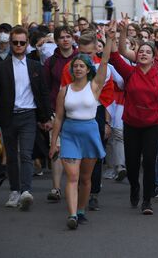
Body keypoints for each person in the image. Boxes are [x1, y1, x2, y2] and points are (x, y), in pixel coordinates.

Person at [49, 22, 114, 229]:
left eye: (81, 66)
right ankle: (72, 215)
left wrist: (110, 38)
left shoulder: (95, 87)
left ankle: (81, 209)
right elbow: (58, 119)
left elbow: (104, 62)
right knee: (73, 177)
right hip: (70, 134)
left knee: (86, 179)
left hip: (90, 133)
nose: (77, 68)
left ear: (88, 69)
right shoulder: (64, 91)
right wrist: (53, 143)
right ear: (71, 68)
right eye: (75, 66)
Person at [109, 19, 158, 215]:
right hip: (131, 124)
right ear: (136, 56)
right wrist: (120, 32)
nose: (144, 54)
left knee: (149, 162)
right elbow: (115, 55)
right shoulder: (129, 73)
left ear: (153, 57)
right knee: (132, 162)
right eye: (141, 52)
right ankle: (134, 187)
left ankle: (147, 200)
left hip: (153, 125)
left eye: (148, 52)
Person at [0, 26, 53, 211]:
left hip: (29, 116)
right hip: (8, 117)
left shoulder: (35, 67)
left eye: (22, 43)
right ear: (10, 43)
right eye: (15, 42)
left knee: (25, 154)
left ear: (27, 43)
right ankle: (14, 191)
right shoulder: (0, 67)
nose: (18, 45)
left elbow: (43, 93)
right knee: (12, 156)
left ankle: (26, 192)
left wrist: (47, 117)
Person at [42, 26, 79, 202]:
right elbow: (45, 87)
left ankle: (76, 184)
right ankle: (56, 188)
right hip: (56, 110)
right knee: (55, 146)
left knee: (77, 149)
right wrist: (46, 112)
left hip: (78, 110)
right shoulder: (51, 62)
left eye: (68, 36)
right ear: (56, 40)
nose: (65, 40)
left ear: (73, 39)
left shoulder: (81, 59)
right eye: (61, 37)